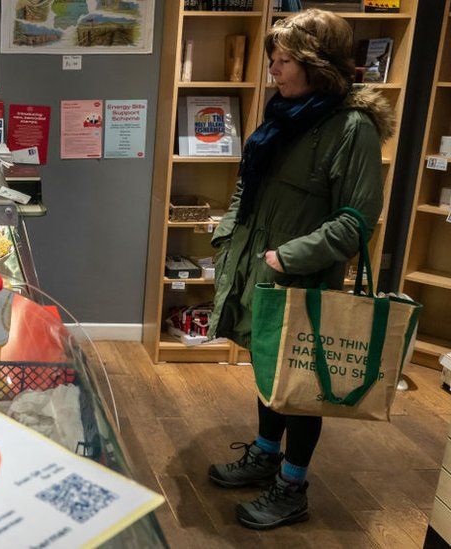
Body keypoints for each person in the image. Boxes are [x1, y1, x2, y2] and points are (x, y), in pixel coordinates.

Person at [206, 9, 394, 530]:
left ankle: (292, 486)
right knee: (270, 372)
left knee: (302, 384)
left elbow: (356, 221)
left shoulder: (350, 128)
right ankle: (266, 453)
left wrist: (285, 257)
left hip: (298, 276)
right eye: (273, 59)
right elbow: (251, 181)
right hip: (258, 268)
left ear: (317, 63)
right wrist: (227, 232)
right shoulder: (287, 114)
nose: (275, 69)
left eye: (285, 60)